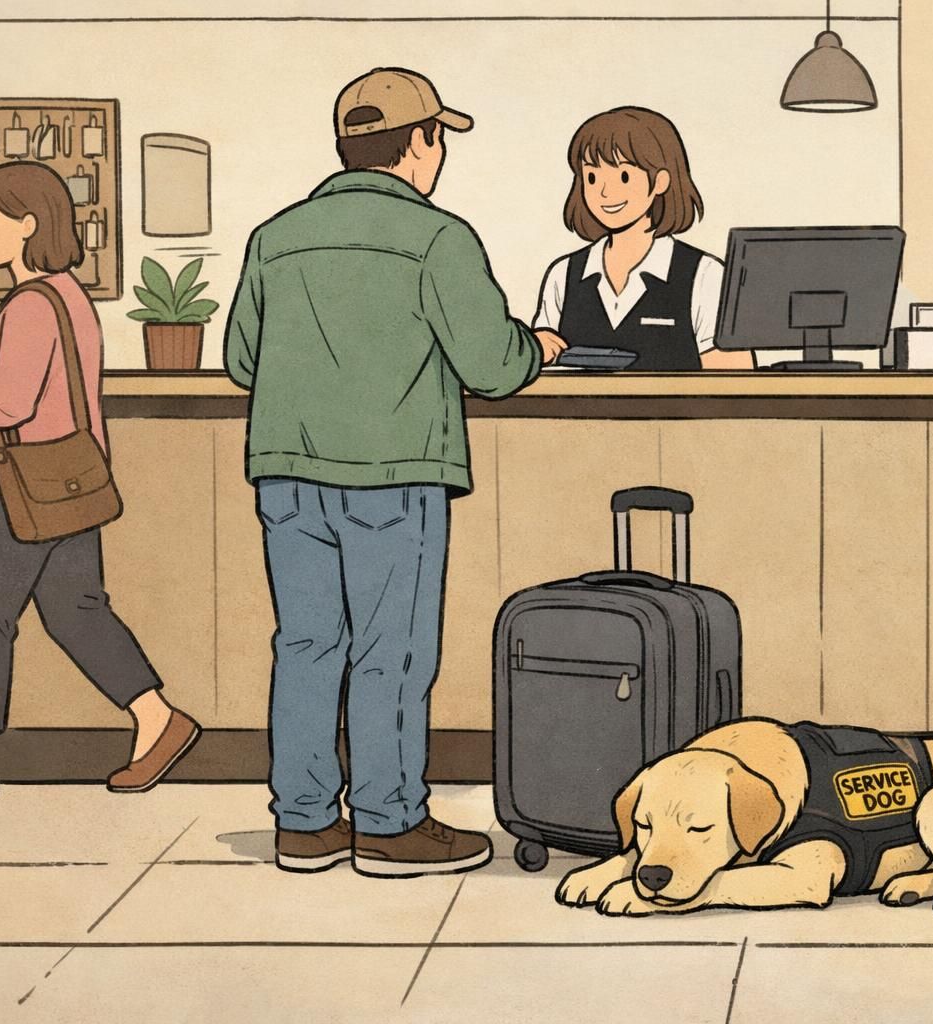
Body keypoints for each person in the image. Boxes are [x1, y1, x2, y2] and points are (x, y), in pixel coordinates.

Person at [224, 68, 560, 876]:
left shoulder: (274, 237)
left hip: (287, 475)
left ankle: (304, 824)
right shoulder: (438, 238)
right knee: (391, 652)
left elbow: (240, 361)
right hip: (393, 474)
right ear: (420, 142)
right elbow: (492, 365)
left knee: (306, 645)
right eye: (437, 138)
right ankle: (388, 822)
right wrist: (537, 347)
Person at [0, 162, 199, 801]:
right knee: (75, 610)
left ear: (28, 223)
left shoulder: (29, 304)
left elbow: (9, 403)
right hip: (70, 481)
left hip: (17, 489)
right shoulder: (69, 295)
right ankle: (157, 718)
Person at [533, 106, 753, 370]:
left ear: (660, 181)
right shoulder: (563, 274)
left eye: (623, 176)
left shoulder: (705, 275)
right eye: (592, 177)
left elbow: (733, 379)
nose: (604, 192)